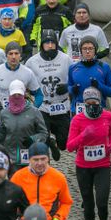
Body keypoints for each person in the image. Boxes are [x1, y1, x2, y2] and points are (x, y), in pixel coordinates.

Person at [67, 87, 111, 220]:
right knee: (88, 203)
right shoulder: (77, 120)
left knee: (102, 201)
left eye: (94, 102)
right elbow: (69, 146)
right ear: (84, 103)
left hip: (103, 165)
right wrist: (83, 136)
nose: (91, 105)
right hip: (83, 167)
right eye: (88, 103)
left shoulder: (107, 116)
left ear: (100, 102)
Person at [25, 29, 72, 160]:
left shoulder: (65, 59)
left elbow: (75, 79)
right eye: (47, 42)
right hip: (43, 106)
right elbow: (26, 80)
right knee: (43, 139)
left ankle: (55, 141)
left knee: (64, 143)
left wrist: (68, 87)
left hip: (62, 105)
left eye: (53, 42)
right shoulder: (32, 62)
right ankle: (45, 161)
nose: (50, 45)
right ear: (42, 44)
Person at [10, 142, 73, 220]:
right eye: (35, 159)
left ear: (48, 158)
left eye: (43, 159)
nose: (40, 163)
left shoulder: (59, 178)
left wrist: (58, 219)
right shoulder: (18, 177)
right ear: (29, 159)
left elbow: (66, 202)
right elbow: (10, 202)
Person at [0, 80, 48, 167]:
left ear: (24, 95)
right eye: (14, 95)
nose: (16, 97)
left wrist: (33, 139)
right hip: (10, 156)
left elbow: (44, 133)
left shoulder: (34, 112)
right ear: (10, 95)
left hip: (29, 155)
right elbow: (2, 130)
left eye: (19, 94)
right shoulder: (4, 113)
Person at [67, 36, 111, 114]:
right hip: (78, 112)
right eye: (84, 48)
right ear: (80, 50)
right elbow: (68, 87)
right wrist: (72, 89)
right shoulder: (73, 68)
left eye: (90, 48)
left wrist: (99, 86)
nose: (87, 51)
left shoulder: (104, 67)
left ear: (95, 50)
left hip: (98, 111)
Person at [0, 42, 42, 109]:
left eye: (16, 53)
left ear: (20, 55)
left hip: (21, 114)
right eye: (10, 54)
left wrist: (33, 109)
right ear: (6, 55)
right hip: (1, 114)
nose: (13, 57)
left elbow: (39, 95)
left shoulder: (28, 72)